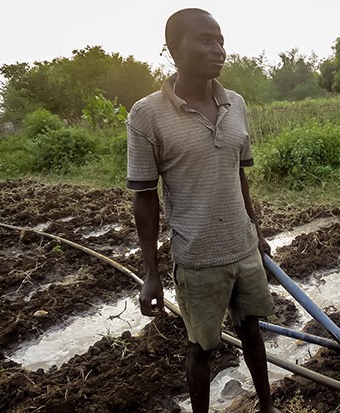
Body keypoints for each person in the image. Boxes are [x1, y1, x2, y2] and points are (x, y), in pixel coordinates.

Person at [126, 8, 280, 413]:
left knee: (252, 332)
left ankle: (266, 406)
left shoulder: (237, 103)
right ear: (175, 49)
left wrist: (256, 229)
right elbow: (144, 196)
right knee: (202, 348)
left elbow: (238, 174)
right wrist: (150, 273)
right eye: (206, 40)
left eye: (221, 40)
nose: (220, 50)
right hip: (197, 259)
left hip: (243, 248)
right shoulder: (147, 114)